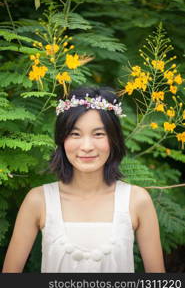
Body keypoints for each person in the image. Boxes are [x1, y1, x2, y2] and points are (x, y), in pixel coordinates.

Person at [2, 86, 165, 273]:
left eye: (98, 134)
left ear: (114, 139)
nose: (87, 146)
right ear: (62, 140)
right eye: (75, 134)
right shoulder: (38, 200)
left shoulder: (137, 200)